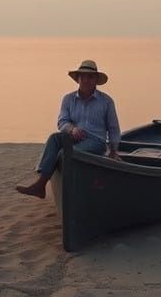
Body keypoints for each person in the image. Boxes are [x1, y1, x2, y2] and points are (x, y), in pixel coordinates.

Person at [16, 59, 121, 198]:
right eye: (82, 76)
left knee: (67, 154)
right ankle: (41, 185)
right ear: (78, 79)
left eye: (90, 77)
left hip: (96, 142)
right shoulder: (68, 99)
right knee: (54, 139)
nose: (86, 80)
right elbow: (62, 122)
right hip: (73, 136)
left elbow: (113, 128)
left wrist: (113, 151)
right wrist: (72, 129)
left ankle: (75, 189)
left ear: (96, 80)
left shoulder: (106, 101)